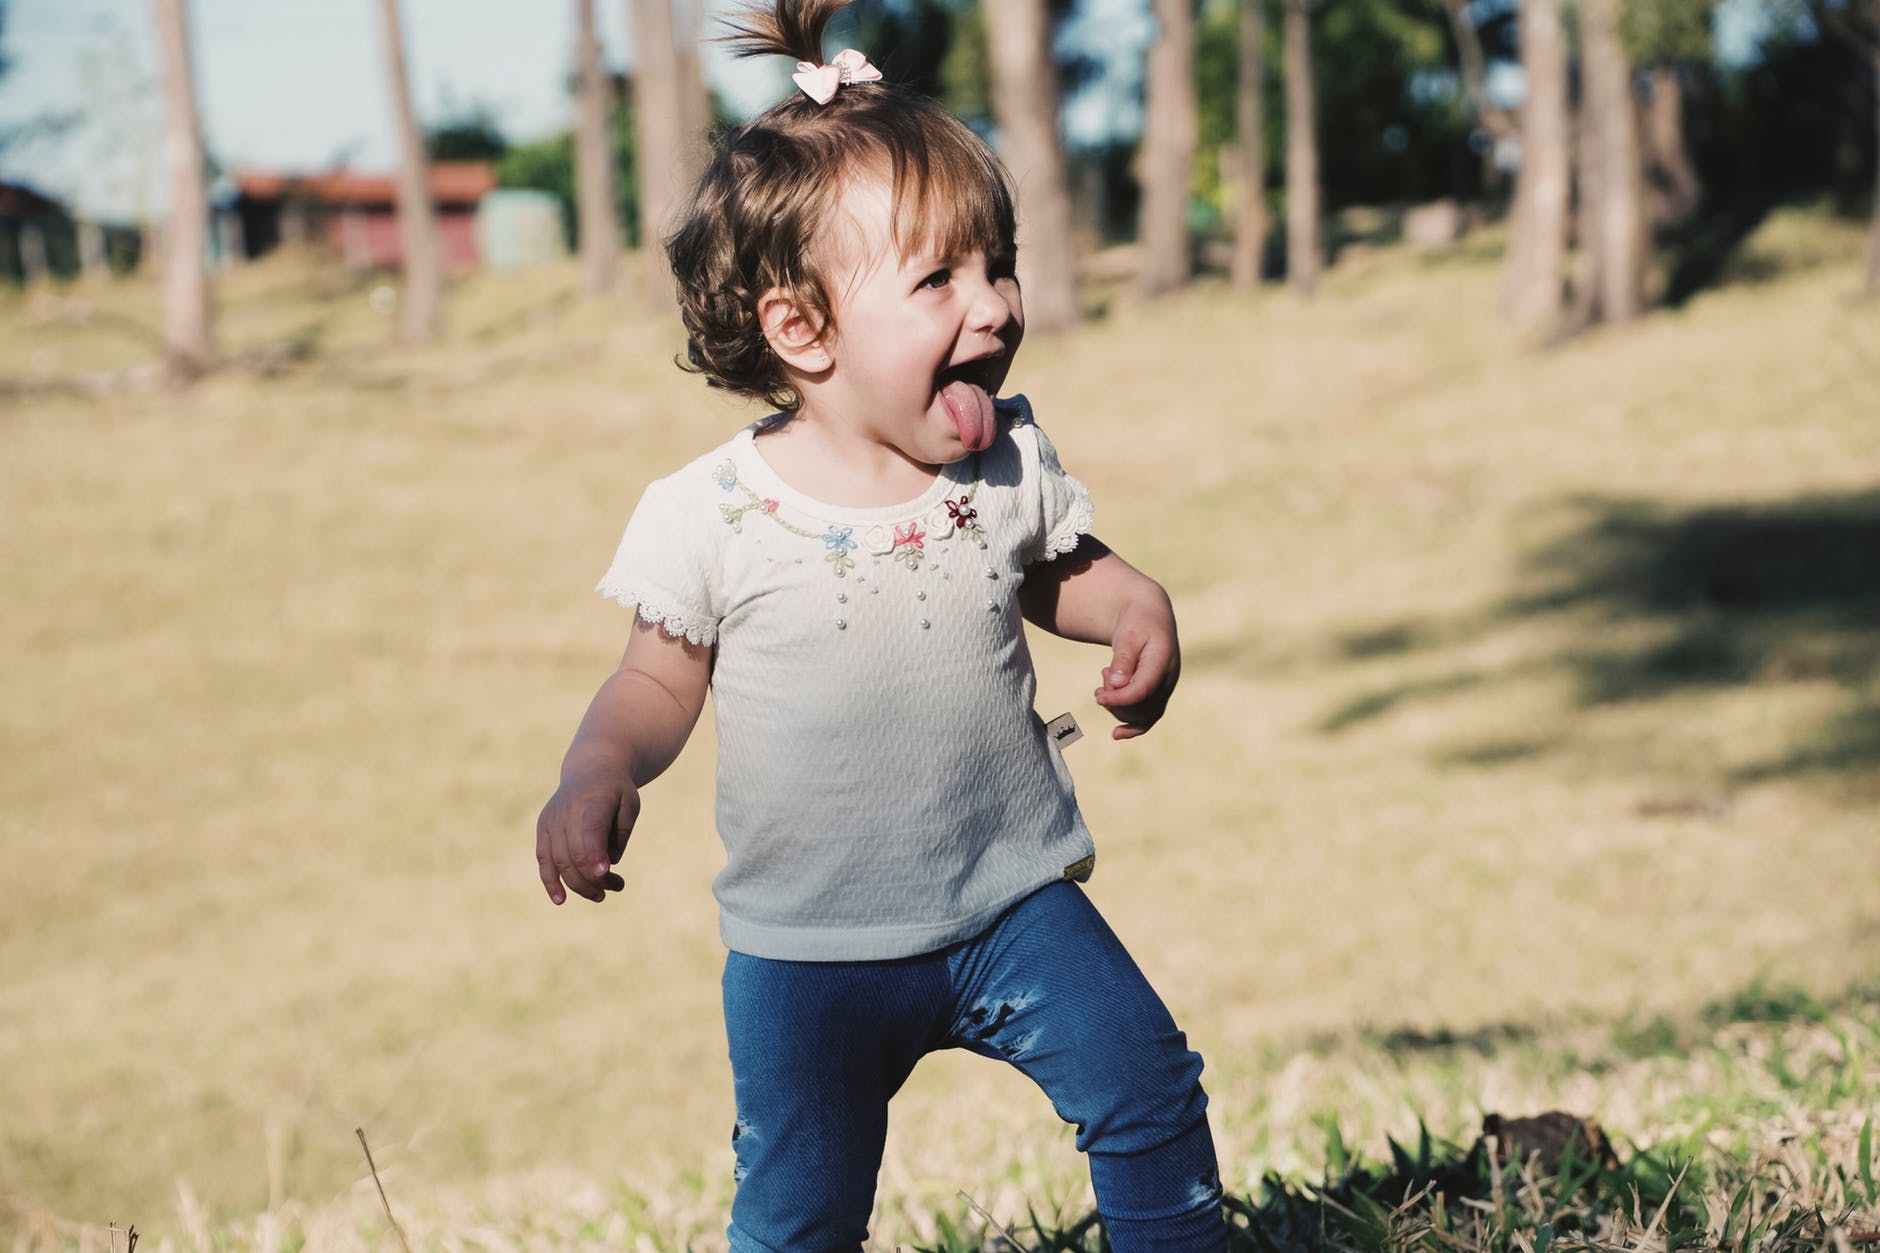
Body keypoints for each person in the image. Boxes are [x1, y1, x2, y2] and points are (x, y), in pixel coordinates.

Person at [534, 1, 1226, 1246]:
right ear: (800, 328)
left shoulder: (1000, 465)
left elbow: (1059, 569)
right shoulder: (714, 512)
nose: (996, 307)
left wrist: (1136, 608)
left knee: (1149, 1091)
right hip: (807, 959)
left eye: (995, 263)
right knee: (799, 1215)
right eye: (938, 281)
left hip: (1013, 898)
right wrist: (596, 769)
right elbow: (653, 679)